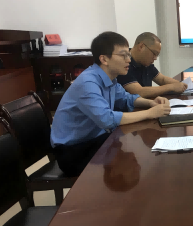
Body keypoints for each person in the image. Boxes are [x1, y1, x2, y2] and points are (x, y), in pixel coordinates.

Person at [50, 32, 171, 177]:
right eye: (123, 55)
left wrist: (151, 103)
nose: (129, 59)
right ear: (104, 59)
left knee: (139, 150)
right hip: (73, 151)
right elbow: (107, 119)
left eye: (128, 55)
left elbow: (126, 98)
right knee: (135, 155)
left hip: (94, 139)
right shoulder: (88, 82)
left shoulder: (110, 78)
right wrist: (149, 113)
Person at [117, 32, 193, 98]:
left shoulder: (145, 62)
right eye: (154, 53)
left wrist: (183, 84)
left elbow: (162, 79)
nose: (155, 58)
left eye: (157, 55)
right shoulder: (124, 63)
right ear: (141, 46)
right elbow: (139, 92)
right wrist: (171, 87)